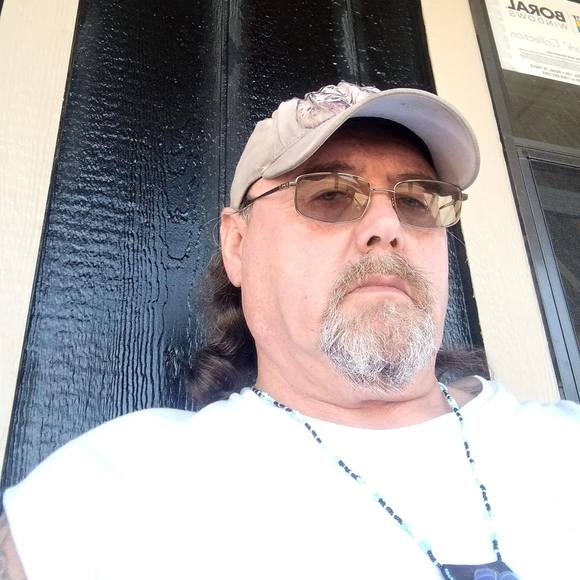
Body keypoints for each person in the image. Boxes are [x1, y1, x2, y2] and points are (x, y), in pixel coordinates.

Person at [1, 81, 579, 580]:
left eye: (416, 201)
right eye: (330, 194)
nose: (387, 225)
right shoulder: (111, 498)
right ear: (238, 244)